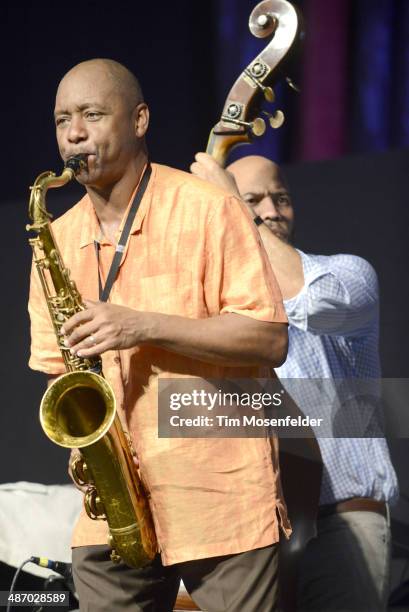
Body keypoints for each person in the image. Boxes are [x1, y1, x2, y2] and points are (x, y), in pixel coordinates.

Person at [28, 60, 292, 612]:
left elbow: (269, 339)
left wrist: (141, 325)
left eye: (92, 115)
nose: (74, 132)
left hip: (219, 497)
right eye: (62, 120)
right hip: (114, 504)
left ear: (140, 119)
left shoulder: (209, 207)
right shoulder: (53, 238)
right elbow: (61, 373)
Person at [191, 153, 399, 611]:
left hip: (341, 527)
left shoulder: (346, 275)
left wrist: (233, 206)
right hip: (255, 540)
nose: (270, 210)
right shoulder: (215, 310)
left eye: (280, 198)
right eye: (253, 199)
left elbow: (304, 293)